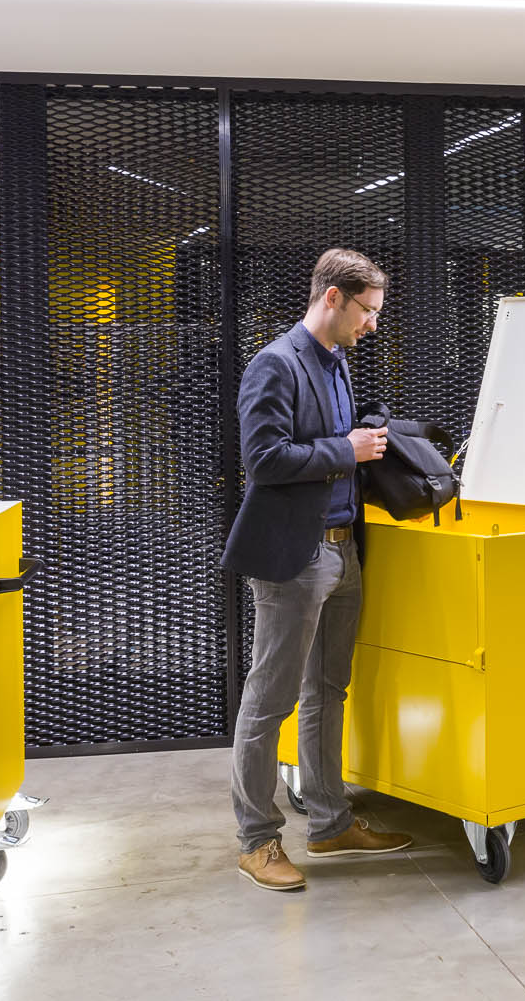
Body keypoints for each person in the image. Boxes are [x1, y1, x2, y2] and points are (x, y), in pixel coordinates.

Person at [222, 247, 414, 891]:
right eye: (367, 310)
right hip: (295, 557)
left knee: (328, 692)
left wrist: (366, 440)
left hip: (343, 549)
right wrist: (347, 448)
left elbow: (330, 452)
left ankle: (330, 824)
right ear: (331, 297)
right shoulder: (276, 364)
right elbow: (265, 460)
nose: (372, 324)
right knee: (268, 700)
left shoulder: (337, 365)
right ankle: (257, 841)